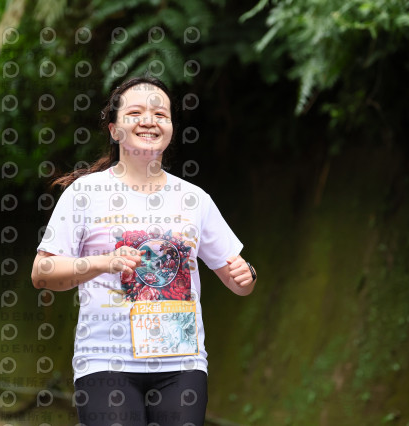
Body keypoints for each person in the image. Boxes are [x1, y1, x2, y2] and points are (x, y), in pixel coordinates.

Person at [31, 76, 257, 426]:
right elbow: (42, 273)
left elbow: (238, 280)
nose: (149, 120)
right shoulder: (84, 194)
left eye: (160, 114)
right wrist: (103, 262)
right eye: (135, 113)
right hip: (106, 361)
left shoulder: (194, 199)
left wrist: (246, 276)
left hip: (182, 362)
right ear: (114, 129)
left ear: (171, 129)